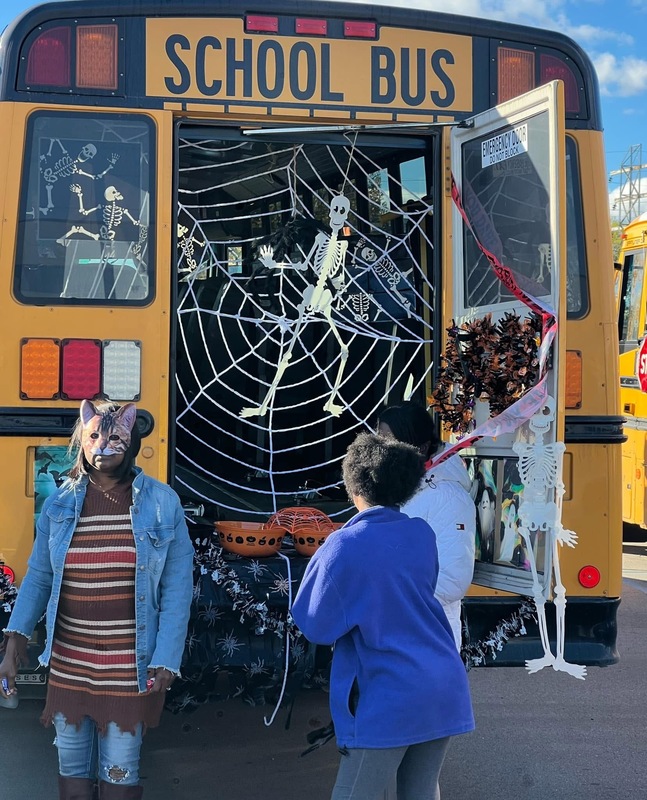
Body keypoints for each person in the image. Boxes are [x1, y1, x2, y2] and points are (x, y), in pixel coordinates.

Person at [0, 400, 194, 800]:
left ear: (133, 442)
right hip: (70, 665)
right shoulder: (58, 503)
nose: (104, 445)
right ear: (81, 442)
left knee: (120, 777)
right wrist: (15, 638)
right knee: (71, 776)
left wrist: (166, 659)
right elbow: (39, 576)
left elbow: (178, 588)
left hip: (129, 669)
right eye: (94, 437)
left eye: (115, 437)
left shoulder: (162, 503)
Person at [291, 432, 474, 800]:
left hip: (388, 693)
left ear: (353, 484)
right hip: (442, 684)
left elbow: (316, 626)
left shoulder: (343, 544)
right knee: (420, 793)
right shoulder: (420, 533)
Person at [377, 402, 476, 649]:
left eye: (388, 440)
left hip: (427, 632)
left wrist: (390, 596)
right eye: (378, 438)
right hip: (398, 627)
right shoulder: (398, 486)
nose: (380, 449)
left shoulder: (449, 496)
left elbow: (453, 579)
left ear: (419, 448)